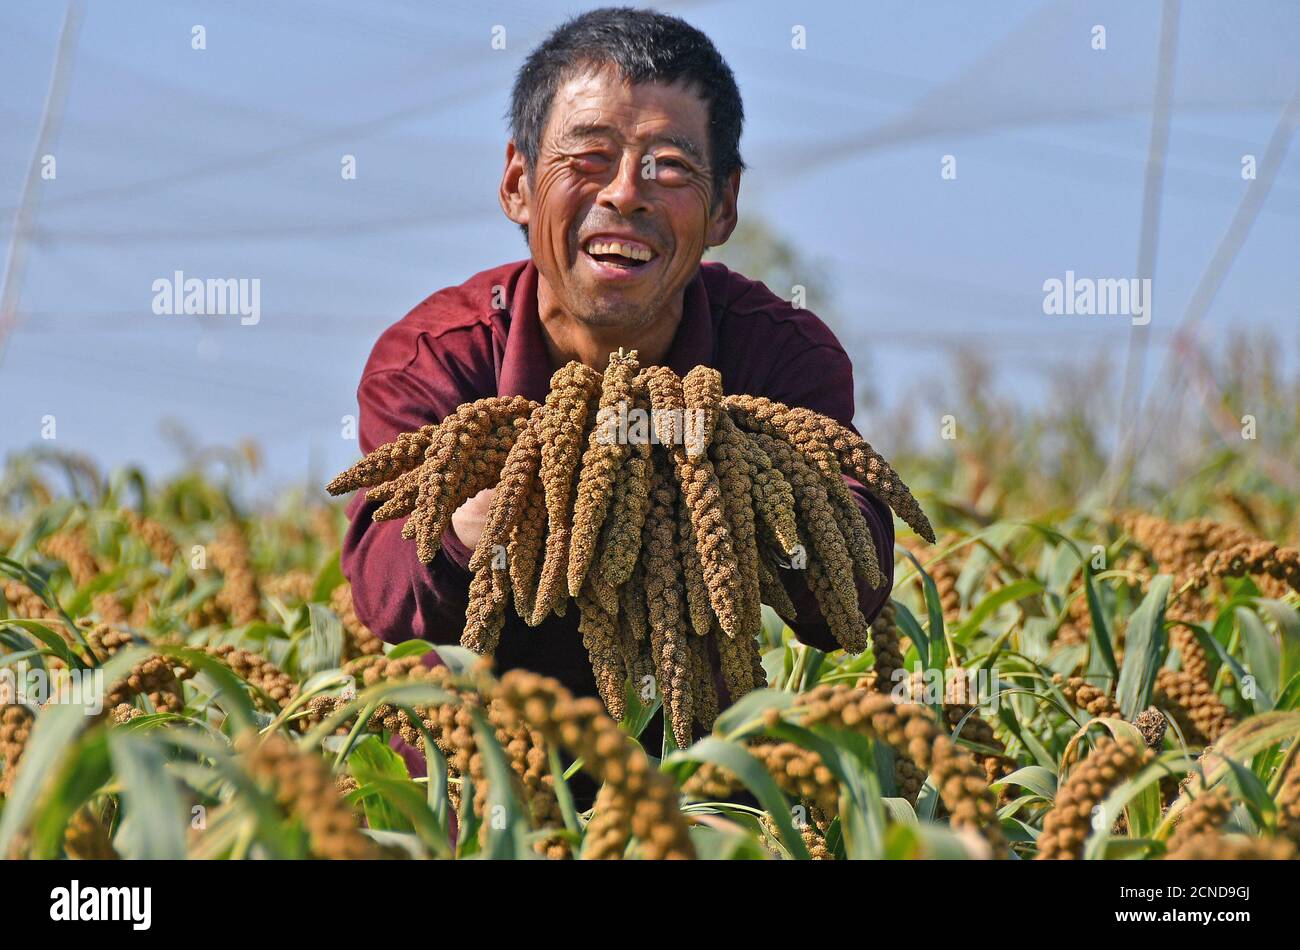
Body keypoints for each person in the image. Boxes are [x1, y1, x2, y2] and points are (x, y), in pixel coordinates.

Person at [341, 7, 895, 755]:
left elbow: (847, 596)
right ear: (517, 183)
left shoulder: (780, 359)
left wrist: (718, 483)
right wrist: (499, 515)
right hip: (476, 793)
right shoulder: (437, 360)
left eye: (670, 166)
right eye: (589, 157)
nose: (627, 193)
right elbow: (388, 592)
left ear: (725, 205)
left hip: (693, 796)